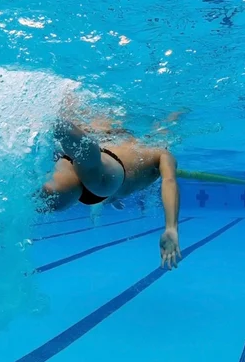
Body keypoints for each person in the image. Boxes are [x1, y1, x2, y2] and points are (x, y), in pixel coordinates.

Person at [38, 111, 182, 270]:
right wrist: (171, 227)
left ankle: (50, 118)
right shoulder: (163, 153)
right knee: (48, 198)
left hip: (90, 167)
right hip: (106, 178)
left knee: (49, 197)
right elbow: (169, 181)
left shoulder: (127, 141)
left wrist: (112, 200)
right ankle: (54, 121)